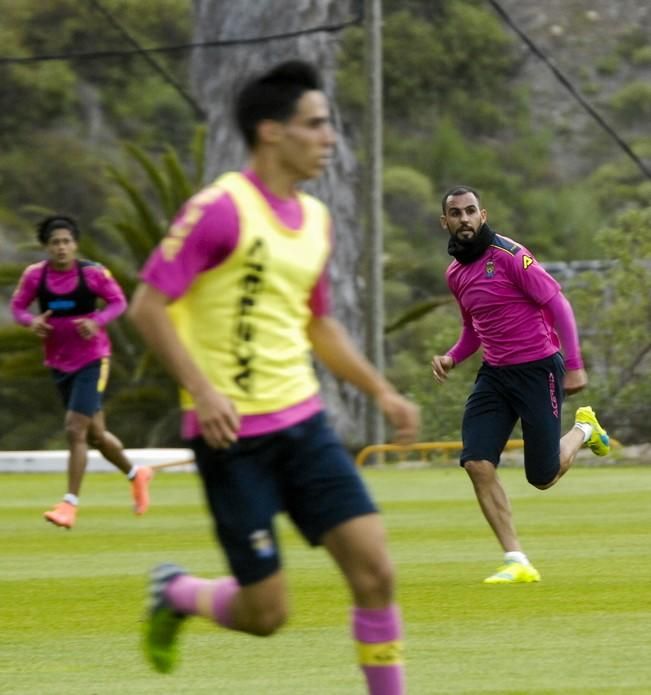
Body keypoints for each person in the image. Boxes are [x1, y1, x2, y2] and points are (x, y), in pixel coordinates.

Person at [128, 60, 420, 694]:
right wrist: (203, 392)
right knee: (267, 616)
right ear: (271, 132)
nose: (329, 138)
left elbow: (319, 325)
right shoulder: (219, 210)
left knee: (376, 572)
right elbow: (147, 305)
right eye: (315, 125)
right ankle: (176, 591)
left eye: (329, 125)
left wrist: (381, 391)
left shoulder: (316, 220)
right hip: (232, 440)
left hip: (305, 425)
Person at [431, 185, 610, 584]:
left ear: (483, 214)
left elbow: (558, 304)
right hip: (494, 376)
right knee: (477, 462)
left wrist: (575, 366)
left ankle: (585, 429)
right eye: (455, 213)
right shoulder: (456, 273)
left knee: (542, 476)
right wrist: (452, 357)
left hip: (538, 370)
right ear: (445, 221)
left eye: (470, 211)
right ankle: (516, 559)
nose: (464, 219)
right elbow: (471, 330)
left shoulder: (511, 256)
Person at [10, 215, 153, 529]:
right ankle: (136, 474)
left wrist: (96, 321)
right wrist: (30, 322)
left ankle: (69, 505)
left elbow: (118, 302)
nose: (61, 248)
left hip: (93, 359)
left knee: (75, 429)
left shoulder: (93, 274)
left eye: (66, 241)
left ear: (75, 244)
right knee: (97, 436)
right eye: (55, 242)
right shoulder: (35, 276)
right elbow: (18, 307)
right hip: (59, 362)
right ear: (46, 247)